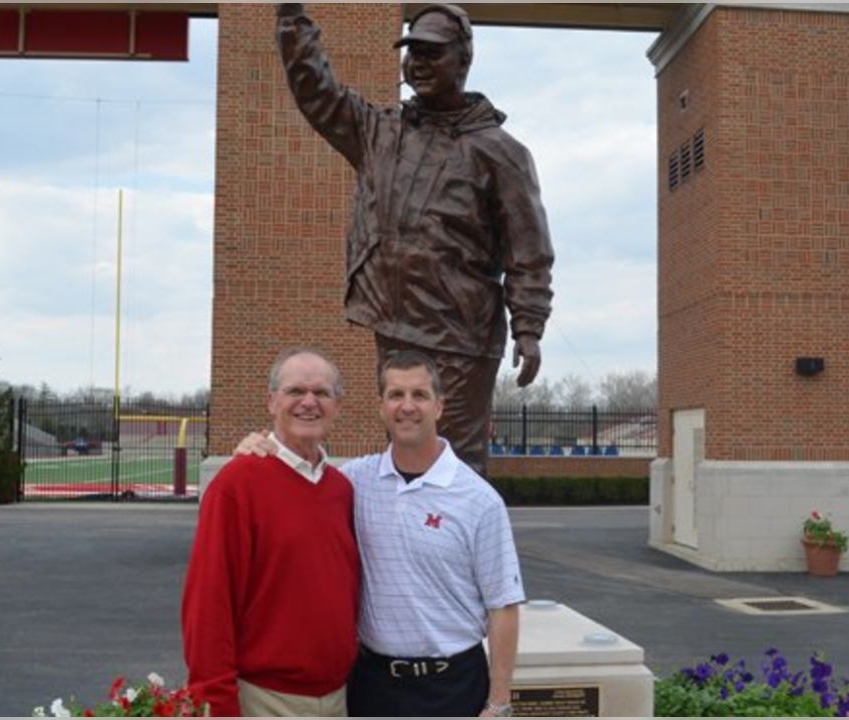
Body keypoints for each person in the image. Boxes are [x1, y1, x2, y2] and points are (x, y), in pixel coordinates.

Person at [276, 2, 555, 477]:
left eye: (432, 53)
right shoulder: (379, 133)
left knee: (455, 465)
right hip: (396, 323)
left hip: (461, 336)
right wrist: (291, 18)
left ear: (463, 62)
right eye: (412, 53)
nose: (418, 64)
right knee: (404, 452)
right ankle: (407, 548)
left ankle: (460, 552)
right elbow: (317, 92)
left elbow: (528, 250)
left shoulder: (500, 153)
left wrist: (528, 326)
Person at [238, 350, 524, 717]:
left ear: (439, 406)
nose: (407, 406)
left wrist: (499, 703)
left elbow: (503, 606)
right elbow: (299, 474)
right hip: (372, 684)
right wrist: (259, 446)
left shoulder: (480, 500)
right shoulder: (353, 482)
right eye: (396, 395)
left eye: (419, 395)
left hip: (452, 686)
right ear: (381, 406)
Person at [181, 348, 359, 717]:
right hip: (265, 701)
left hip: (338, 699)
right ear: (271, 401)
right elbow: (209, 604)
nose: (309, 402)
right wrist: (216, 704)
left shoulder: (342, 490)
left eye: (322, 393)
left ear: (337, 406)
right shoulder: (237, 485)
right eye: (295, 391)